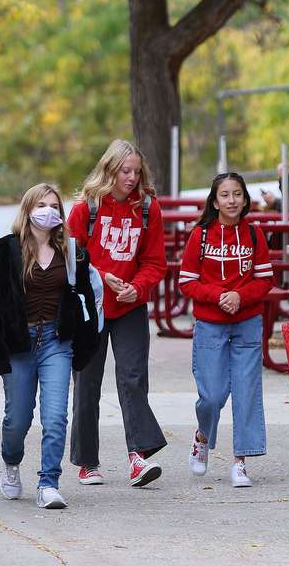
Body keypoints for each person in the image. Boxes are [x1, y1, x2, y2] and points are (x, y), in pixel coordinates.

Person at [0, 183, 102, 509]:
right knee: (17, 420)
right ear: (27, 210)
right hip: (19, 343)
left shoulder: (71, 252)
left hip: (56, 342)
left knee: (56, 417)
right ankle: (11, 462)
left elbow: (85, 300)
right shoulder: (7, 250)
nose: (48, 211)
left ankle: (48, 482)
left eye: (53, 205)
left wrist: (85, 343)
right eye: (41, 205)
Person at [67, 139, 169, 487]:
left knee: (133, 378)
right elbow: (70, 258)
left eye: (137, 171)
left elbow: (155, 262)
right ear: (109, 170)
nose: (131, 177)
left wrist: (137, 288)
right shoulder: (86, 209)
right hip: (92, 306)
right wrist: (99, 276)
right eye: (125, 171)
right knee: (87, 383)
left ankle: (138, 458)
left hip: (130, 305)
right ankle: (87, 462)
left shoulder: (148, 208)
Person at [177, 172, 273, 487]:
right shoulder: (200, 235)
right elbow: (187, 282)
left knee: (246, 393)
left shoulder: (255, 235)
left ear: (245, 199)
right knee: (212, 395)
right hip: (210, 325)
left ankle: (240, 462)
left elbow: (265, 281)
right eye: (225, 195)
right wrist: (218, 296)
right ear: (215, 201)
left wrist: (240, 296)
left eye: (237, 194)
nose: (231, 201)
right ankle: (203, 436)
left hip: (247, 324)